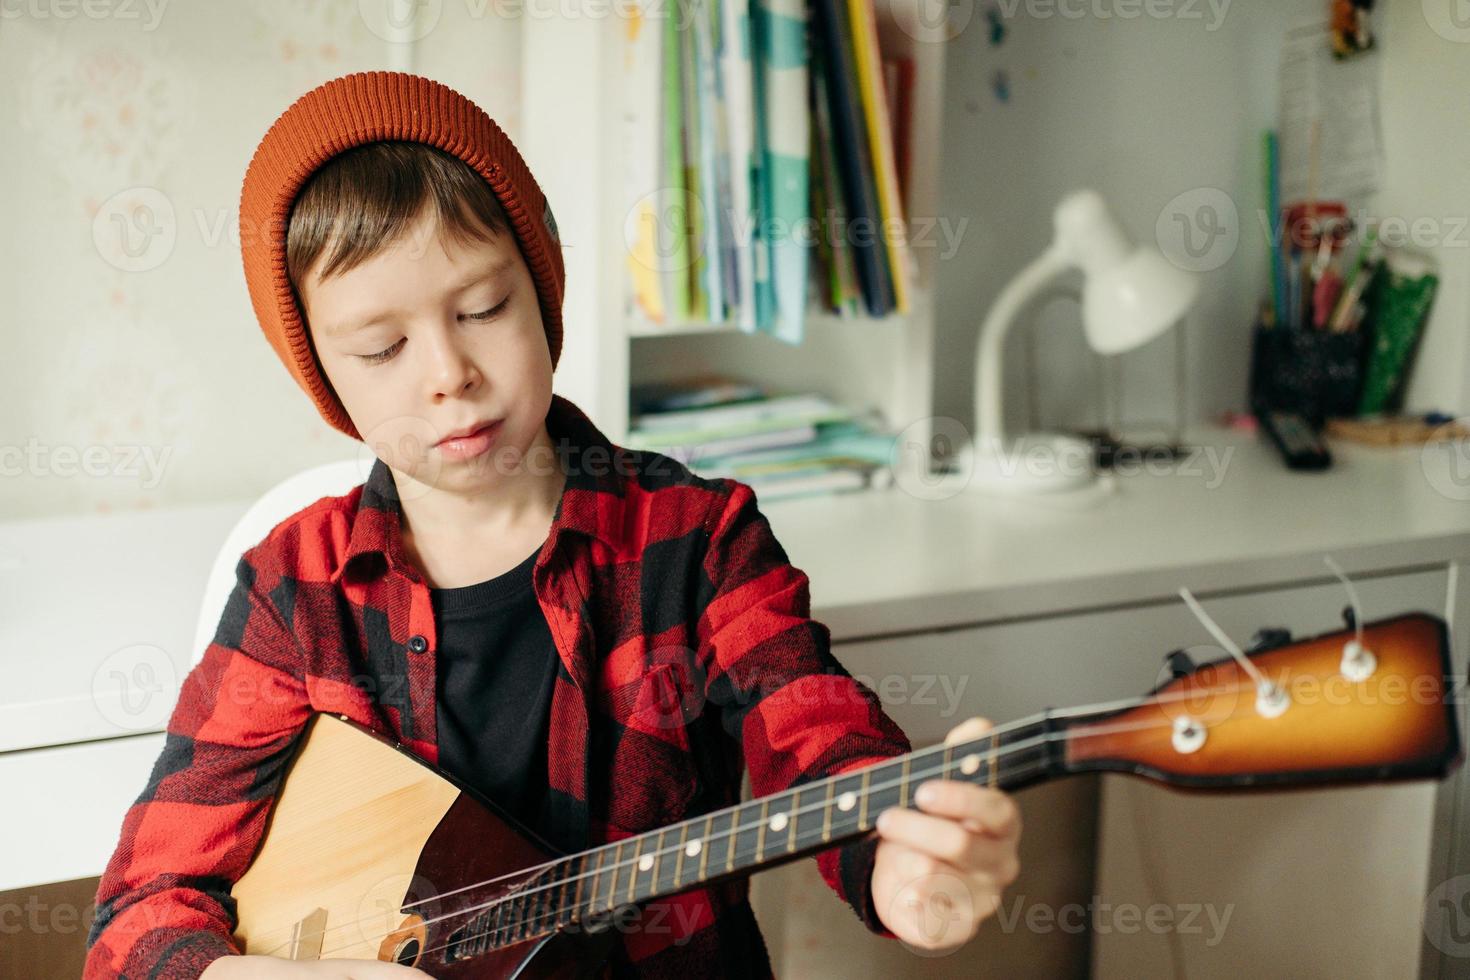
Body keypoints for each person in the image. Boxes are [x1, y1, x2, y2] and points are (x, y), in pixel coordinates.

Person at [82, 71, 1021, 979]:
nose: (449, 371)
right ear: (326, 375)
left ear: (542, 292)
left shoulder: (698, 540)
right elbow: (143, 907)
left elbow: (815, 734)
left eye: (485, 307)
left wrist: (900, 863)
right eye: (383, 347)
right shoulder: (297, 590)